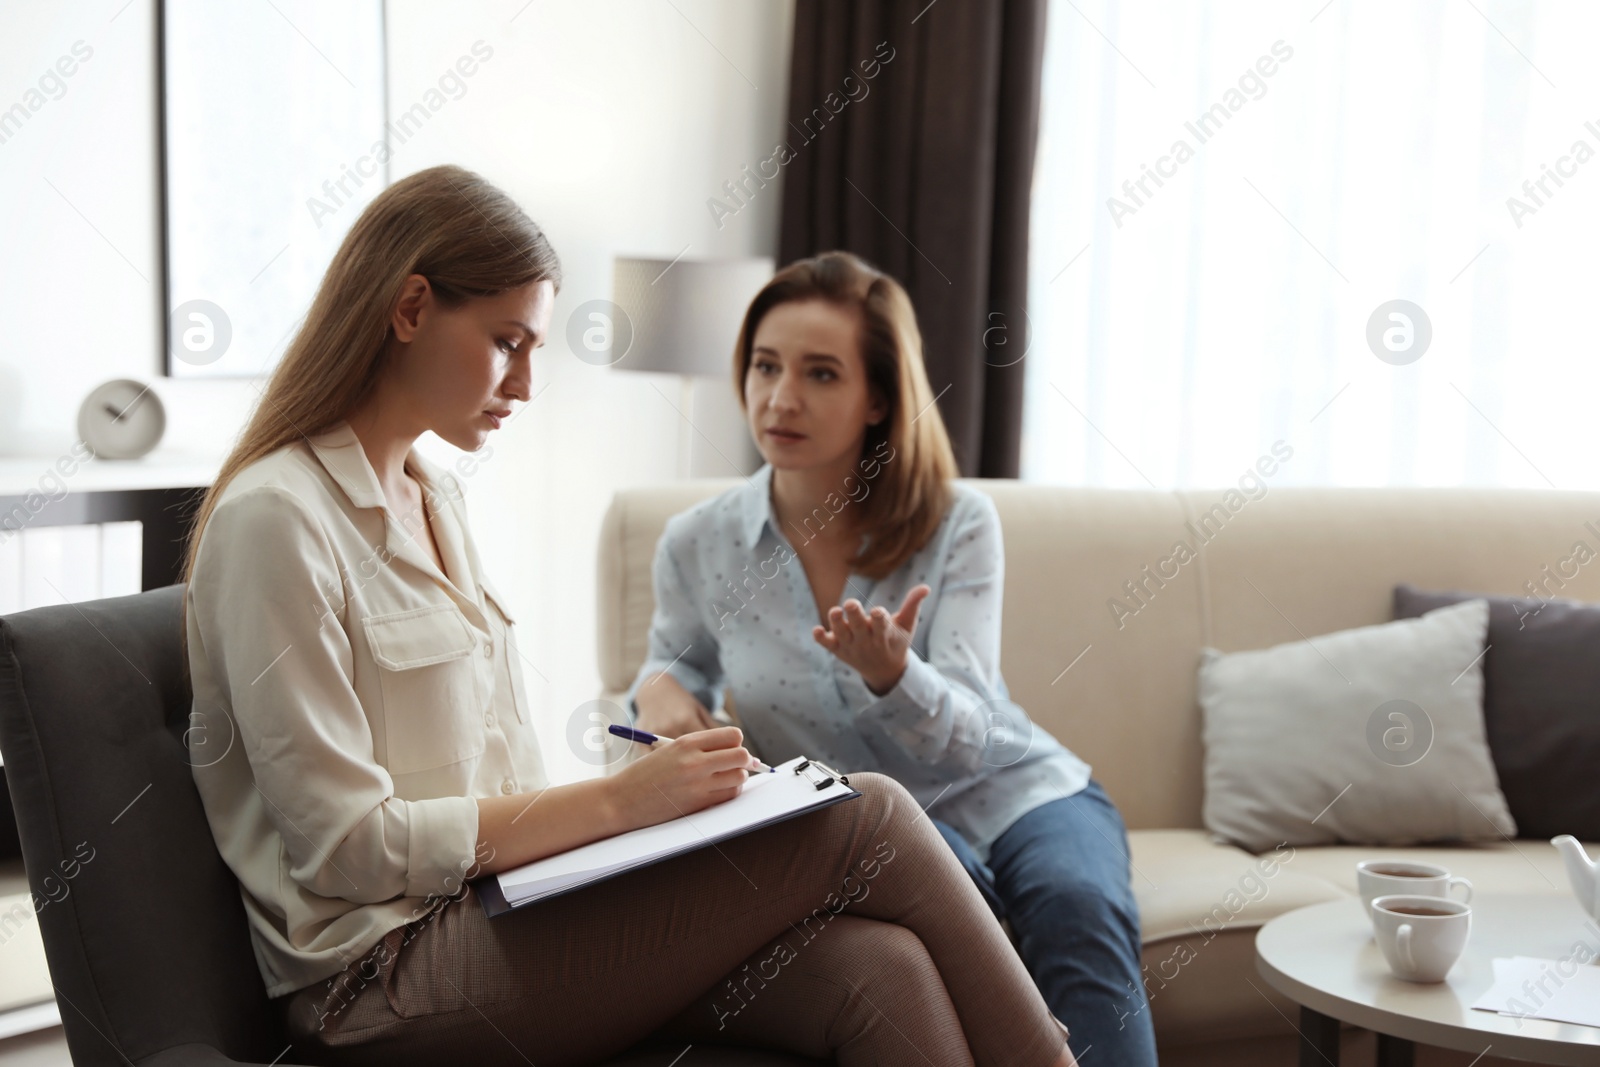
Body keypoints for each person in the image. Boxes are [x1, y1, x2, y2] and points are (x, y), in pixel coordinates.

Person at [180, 165, 1077, 1067]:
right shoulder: (277, 519)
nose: (526, 384)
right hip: (381, 975)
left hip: (500, 910)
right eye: (507, 343)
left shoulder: (431, 494)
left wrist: (645, 823)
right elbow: (345, 847)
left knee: (882, 968)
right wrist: (617, 801)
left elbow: (491, 776)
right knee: (865, 814)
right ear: (411, 307)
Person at [626, 251, 1159, 1066]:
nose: (781, 397)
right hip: (867, 826)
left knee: (1076, 902)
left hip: (1019, 789)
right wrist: (656, 691)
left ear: (878, 397)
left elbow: (978, 733)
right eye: (766, 365)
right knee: (949, 892)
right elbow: (671, 667)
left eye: (822, 373)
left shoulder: (959, 524)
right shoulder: (697, 543)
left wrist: (894, 676)